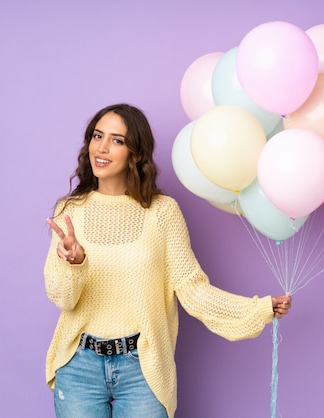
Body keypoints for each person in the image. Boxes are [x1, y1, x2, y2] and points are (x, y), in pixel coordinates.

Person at [44, 103, 292, 418]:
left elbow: (192, 290)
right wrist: (74, 262)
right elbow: (61, 298)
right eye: (97, 136)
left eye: (117, 140)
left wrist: (256, 309)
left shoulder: (162, 212)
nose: (102, 148)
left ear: (135, 153)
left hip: (142, 367)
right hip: (79, 366)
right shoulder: (69, 211)